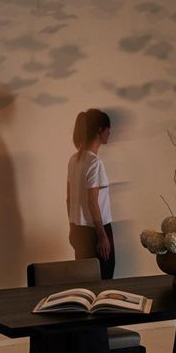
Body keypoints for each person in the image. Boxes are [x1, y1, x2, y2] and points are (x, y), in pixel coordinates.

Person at [67, 109, 115, 279]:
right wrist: (102, 236)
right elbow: (92, 202)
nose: (110, 132)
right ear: (100, 130)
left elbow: (69, 198)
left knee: (85, 283)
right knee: (103, 282)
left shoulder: (74, 160)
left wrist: (72, 227)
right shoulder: (95, 162)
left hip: (79, 230)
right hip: (96, 231)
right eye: (108, 128)